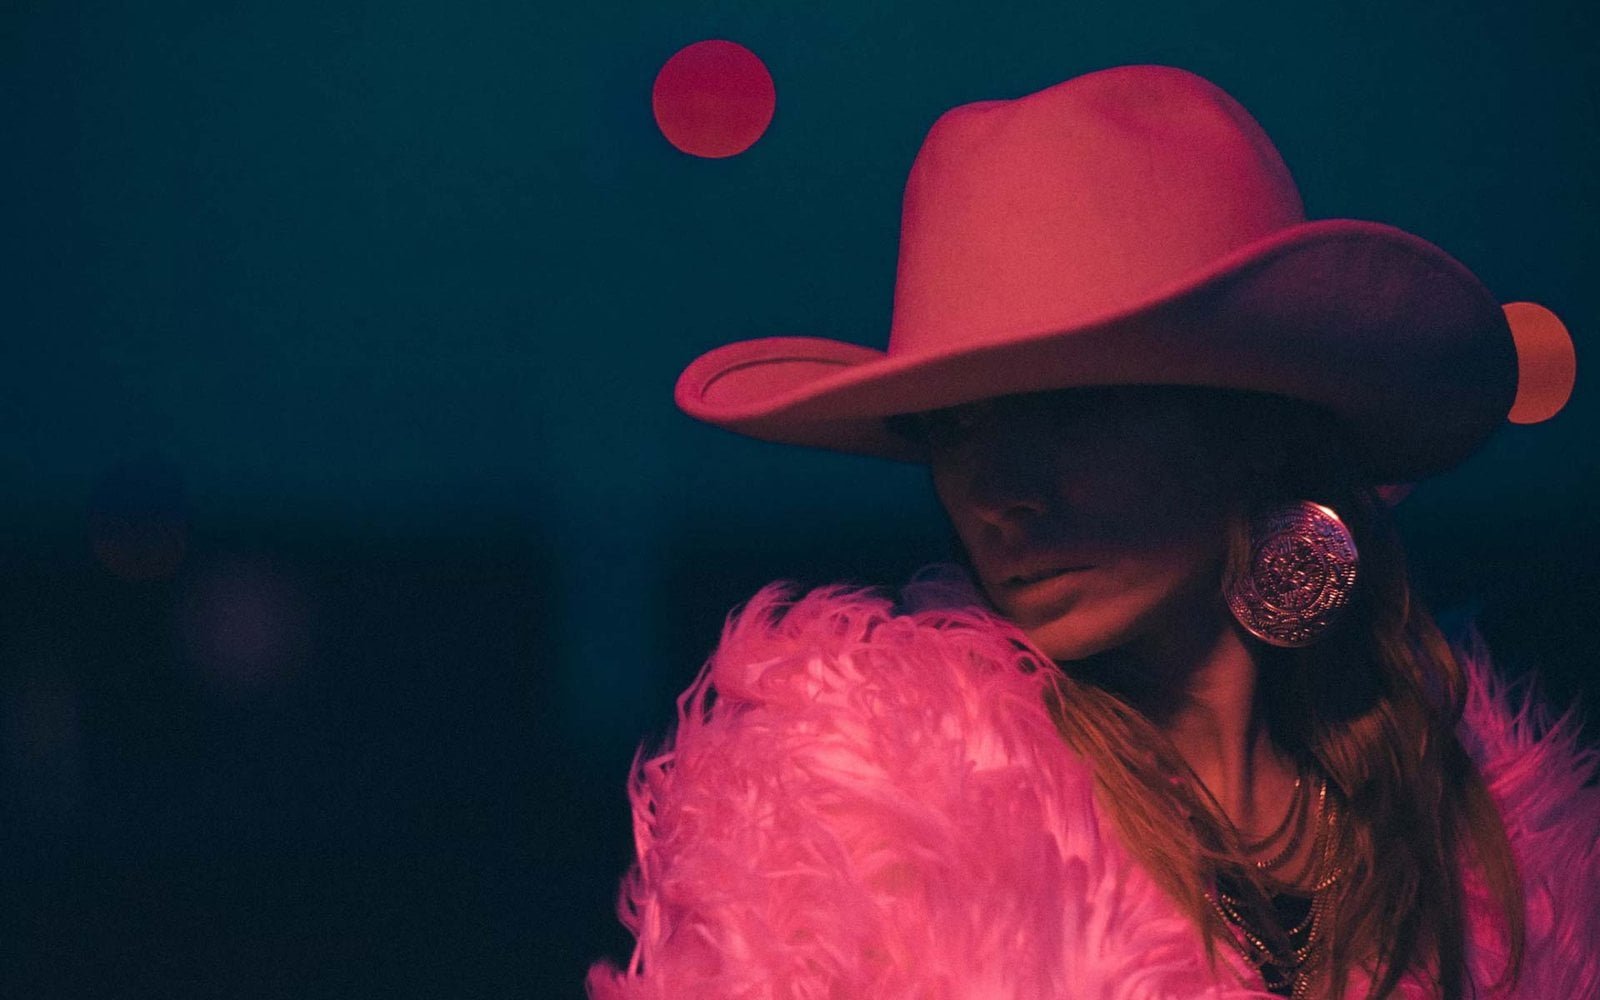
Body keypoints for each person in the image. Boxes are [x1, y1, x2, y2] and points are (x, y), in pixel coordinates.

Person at [586, 65, 1597, 999]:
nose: (997, 493)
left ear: (1247, 426)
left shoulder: (1484, 834)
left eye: (1070, 409)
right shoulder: (860, 823)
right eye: (957, 427)